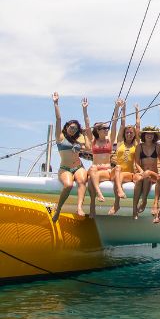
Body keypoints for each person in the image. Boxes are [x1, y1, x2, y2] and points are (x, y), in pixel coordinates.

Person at [51, 92, 89, 222]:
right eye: (71, 127)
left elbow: (88, 147)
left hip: (78, 167)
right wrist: (56, 103)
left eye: (75, 129)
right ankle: (58, 209)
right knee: (68, 185)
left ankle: (79, 207)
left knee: (82, 181)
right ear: (66, 127)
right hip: (65, 168)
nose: (73, 130)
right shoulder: (60, 138)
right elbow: (58, 120)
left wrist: (85, 111)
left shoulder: (79, 140)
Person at [83, 97, 122, 218]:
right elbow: (88, 125)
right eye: (104, 128)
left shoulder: (109, 140)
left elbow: (115, 122)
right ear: (98, 130)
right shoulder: (93, 141)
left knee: (95, 175)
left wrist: (116, 107)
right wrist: (85, 110)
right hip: (95, 170)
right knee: (93, 171)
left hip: (106, 170)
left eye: (107, 128)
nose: (107, 130)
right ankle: (96, 200)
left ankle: (99, 204)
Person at [109, 102, 140, 216]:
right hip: (115, 172)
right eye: (127, 132)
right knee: (117, 168)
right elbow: (122, 124)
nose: (129, 134)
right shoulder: (120, 142)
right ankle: (118, 198)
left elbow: (138, 126)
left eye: (131, 133)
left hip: (128, 173)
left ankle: (117, 204)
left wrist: (137, 112)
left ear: (134, 134)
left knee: (120, 173)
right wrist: (123, 109)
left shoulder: (136, 145)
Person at [134, 125, 160, 218]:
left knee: (147, 174)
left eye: (152, 134)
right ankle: (134, 209)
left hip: (153, 174)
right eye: (147, 134)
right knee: (140, 180)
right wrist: (142, 172)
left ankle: (144, 201)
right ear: (144, 135)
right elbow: (137, 163)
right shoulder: (139, 146)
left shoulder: (157, 147)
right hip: (143, 173)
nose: (149, 135)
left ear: (154, 136)